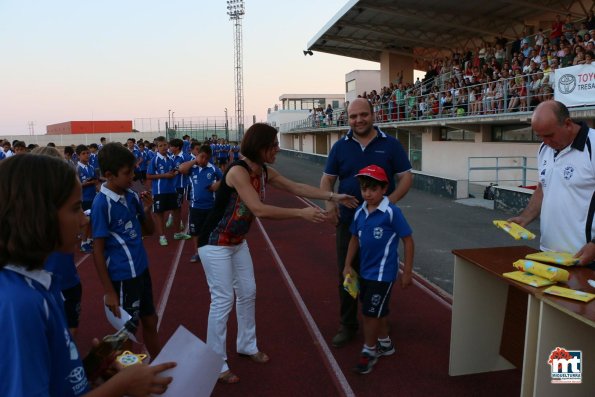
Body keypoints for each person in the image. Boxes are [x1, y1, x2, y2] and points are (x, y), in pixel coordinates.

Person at [0, 154, 175, 397]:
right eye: (75, 209)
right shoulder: (19, 303)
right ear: (37, 215)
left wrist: (87, 371)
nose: (84, 220)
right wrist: (120, 386)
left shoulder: (36, 284)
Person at [197, 123, 358, 384]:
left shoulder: (263, 172)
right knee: (223, 299)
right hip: (214, 243)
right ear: (260, 147)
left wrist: (334, 195)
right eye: (273, 145)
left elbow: (296, 187)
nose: (277, 149)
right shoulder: (238, 171)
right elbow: (259, 209)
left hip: (236, 241)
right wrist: (301, 213)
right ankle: (215, 361)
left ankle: (247, 345)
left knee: (248, 292)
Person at [320, 97, 413, 348]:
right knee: (347, 274)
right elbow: (327, 181)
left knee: (378, 276)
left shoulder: (390, 144)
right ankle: (348, 325)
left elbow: (406, 178)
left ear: (373, 114)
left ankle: (379, 318)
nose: (358, 120)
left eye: (363, 115)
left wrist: (387, 204)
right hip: (349, 223)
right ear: (347, 119)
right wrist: (330, 206)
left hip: (383, 228)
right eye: (353, 117)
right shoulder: (340, 147)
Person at [91, 143, 162, 359]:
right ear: (109, 176)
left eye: (133, 170)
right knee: (127, 333)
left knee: (150, 320)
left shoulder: (131, 195)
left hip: (141, 271)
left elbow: (149, 231)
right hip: (122, 278)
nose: (132, 176)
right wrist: (109, 291)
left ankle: (158, 364)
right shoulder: (102, 204)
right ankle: (124, 380)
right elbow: (97, 250)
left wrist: (148, 210)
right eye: (127, 173)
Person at [343, 165, 414, 374]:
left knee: (369, 314)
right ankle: (385, 344)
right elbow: (354, 239)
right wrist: (347, 264)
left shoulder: (391, 212)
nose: (368, 193)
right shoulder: (360, 212)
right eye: (364, 189)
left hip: (383, 274)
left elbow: (408, 241)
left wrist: (407, 272)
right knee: (376, 310)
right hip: (365, 271)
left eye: (373, 189)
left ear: (384, 189)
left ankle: (369, 351)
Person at [509, 100, 595, 265]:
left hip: (585, 257)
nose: (545, 141)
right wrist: (525, 217)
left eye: (549, 135)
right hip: (547, 253)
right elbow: (543, 187)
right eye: (540, 136)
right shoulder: (544, 149)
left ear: (568, 124)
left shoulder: (593, 145)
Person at [178, 143, 222, 263]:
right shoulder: (192, 168)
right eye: (202, 156)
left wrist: (216, 185)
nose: (204, 160)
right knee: (195, 232)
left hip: (210, 207)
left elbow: (224, 180)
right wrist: (194, 161)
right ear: (197, 155)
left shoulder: (213, 169)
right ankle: (198, 252)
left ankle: (212, 252)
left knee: (211, 231)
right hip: (195, 207)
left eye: (207, 158)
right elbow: (181, 169)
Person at [147, 136, 177, 246]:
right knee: (159, 214)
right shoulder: (154, 160)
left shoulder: (170, 158)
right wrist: (165, 175)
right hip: (159, 191)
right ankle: (162, 236)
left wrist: (175, 173)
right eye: (160, 146)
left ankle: (176, 229)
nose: (163, 147)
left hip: (171, 189)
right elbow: (149, 176)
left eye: (165, 145)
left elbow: (174, 170)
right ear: (157, 147)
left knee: (175, 209)